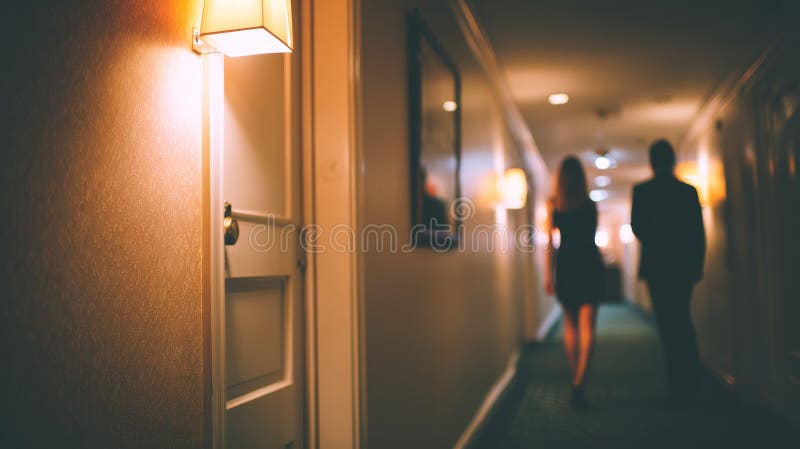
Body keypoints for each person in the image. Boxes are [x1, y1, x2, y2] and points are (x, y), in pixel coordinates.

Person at [631, 139, 706, 403]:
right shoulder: (687, 191)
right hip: (683, 267)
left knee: (666, 323)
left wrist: (658, 237)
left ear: (652, 162)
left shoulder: (642, 191)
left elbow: (637, 228)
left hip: (657, 267)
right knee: (682, 319)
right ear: (672, 160)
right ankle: (691, 378)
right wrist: (697, 265)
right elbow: (698, 233)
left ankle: (677, 381)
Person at [545, 156, 605, 409]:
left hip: (567, 265)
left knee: (570, 325)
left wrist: (549, 274)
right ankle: (581, 380)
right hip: (590, 263)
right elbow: (592, 235)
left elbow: (550, 244)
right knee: (587, 325)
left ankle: (575, 377)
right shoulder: (590, 205)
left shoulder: (554, 205)